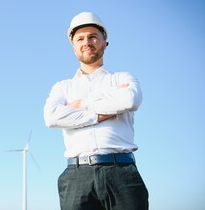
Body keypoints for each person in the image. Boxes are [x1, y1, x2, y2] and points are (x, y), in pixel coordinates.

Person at [44, 12, 148, 210]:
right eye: (80, 38)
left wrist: (80, 106)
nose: (87, 42)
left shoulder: (122, 77)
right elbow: (51, 117)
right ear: (73, 46)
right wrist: (100, 114)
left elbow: (130, 99)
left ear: (105, 43)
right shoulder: (62, 87)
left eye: (93, 37)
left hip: (122, 173)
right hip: (76, 176)